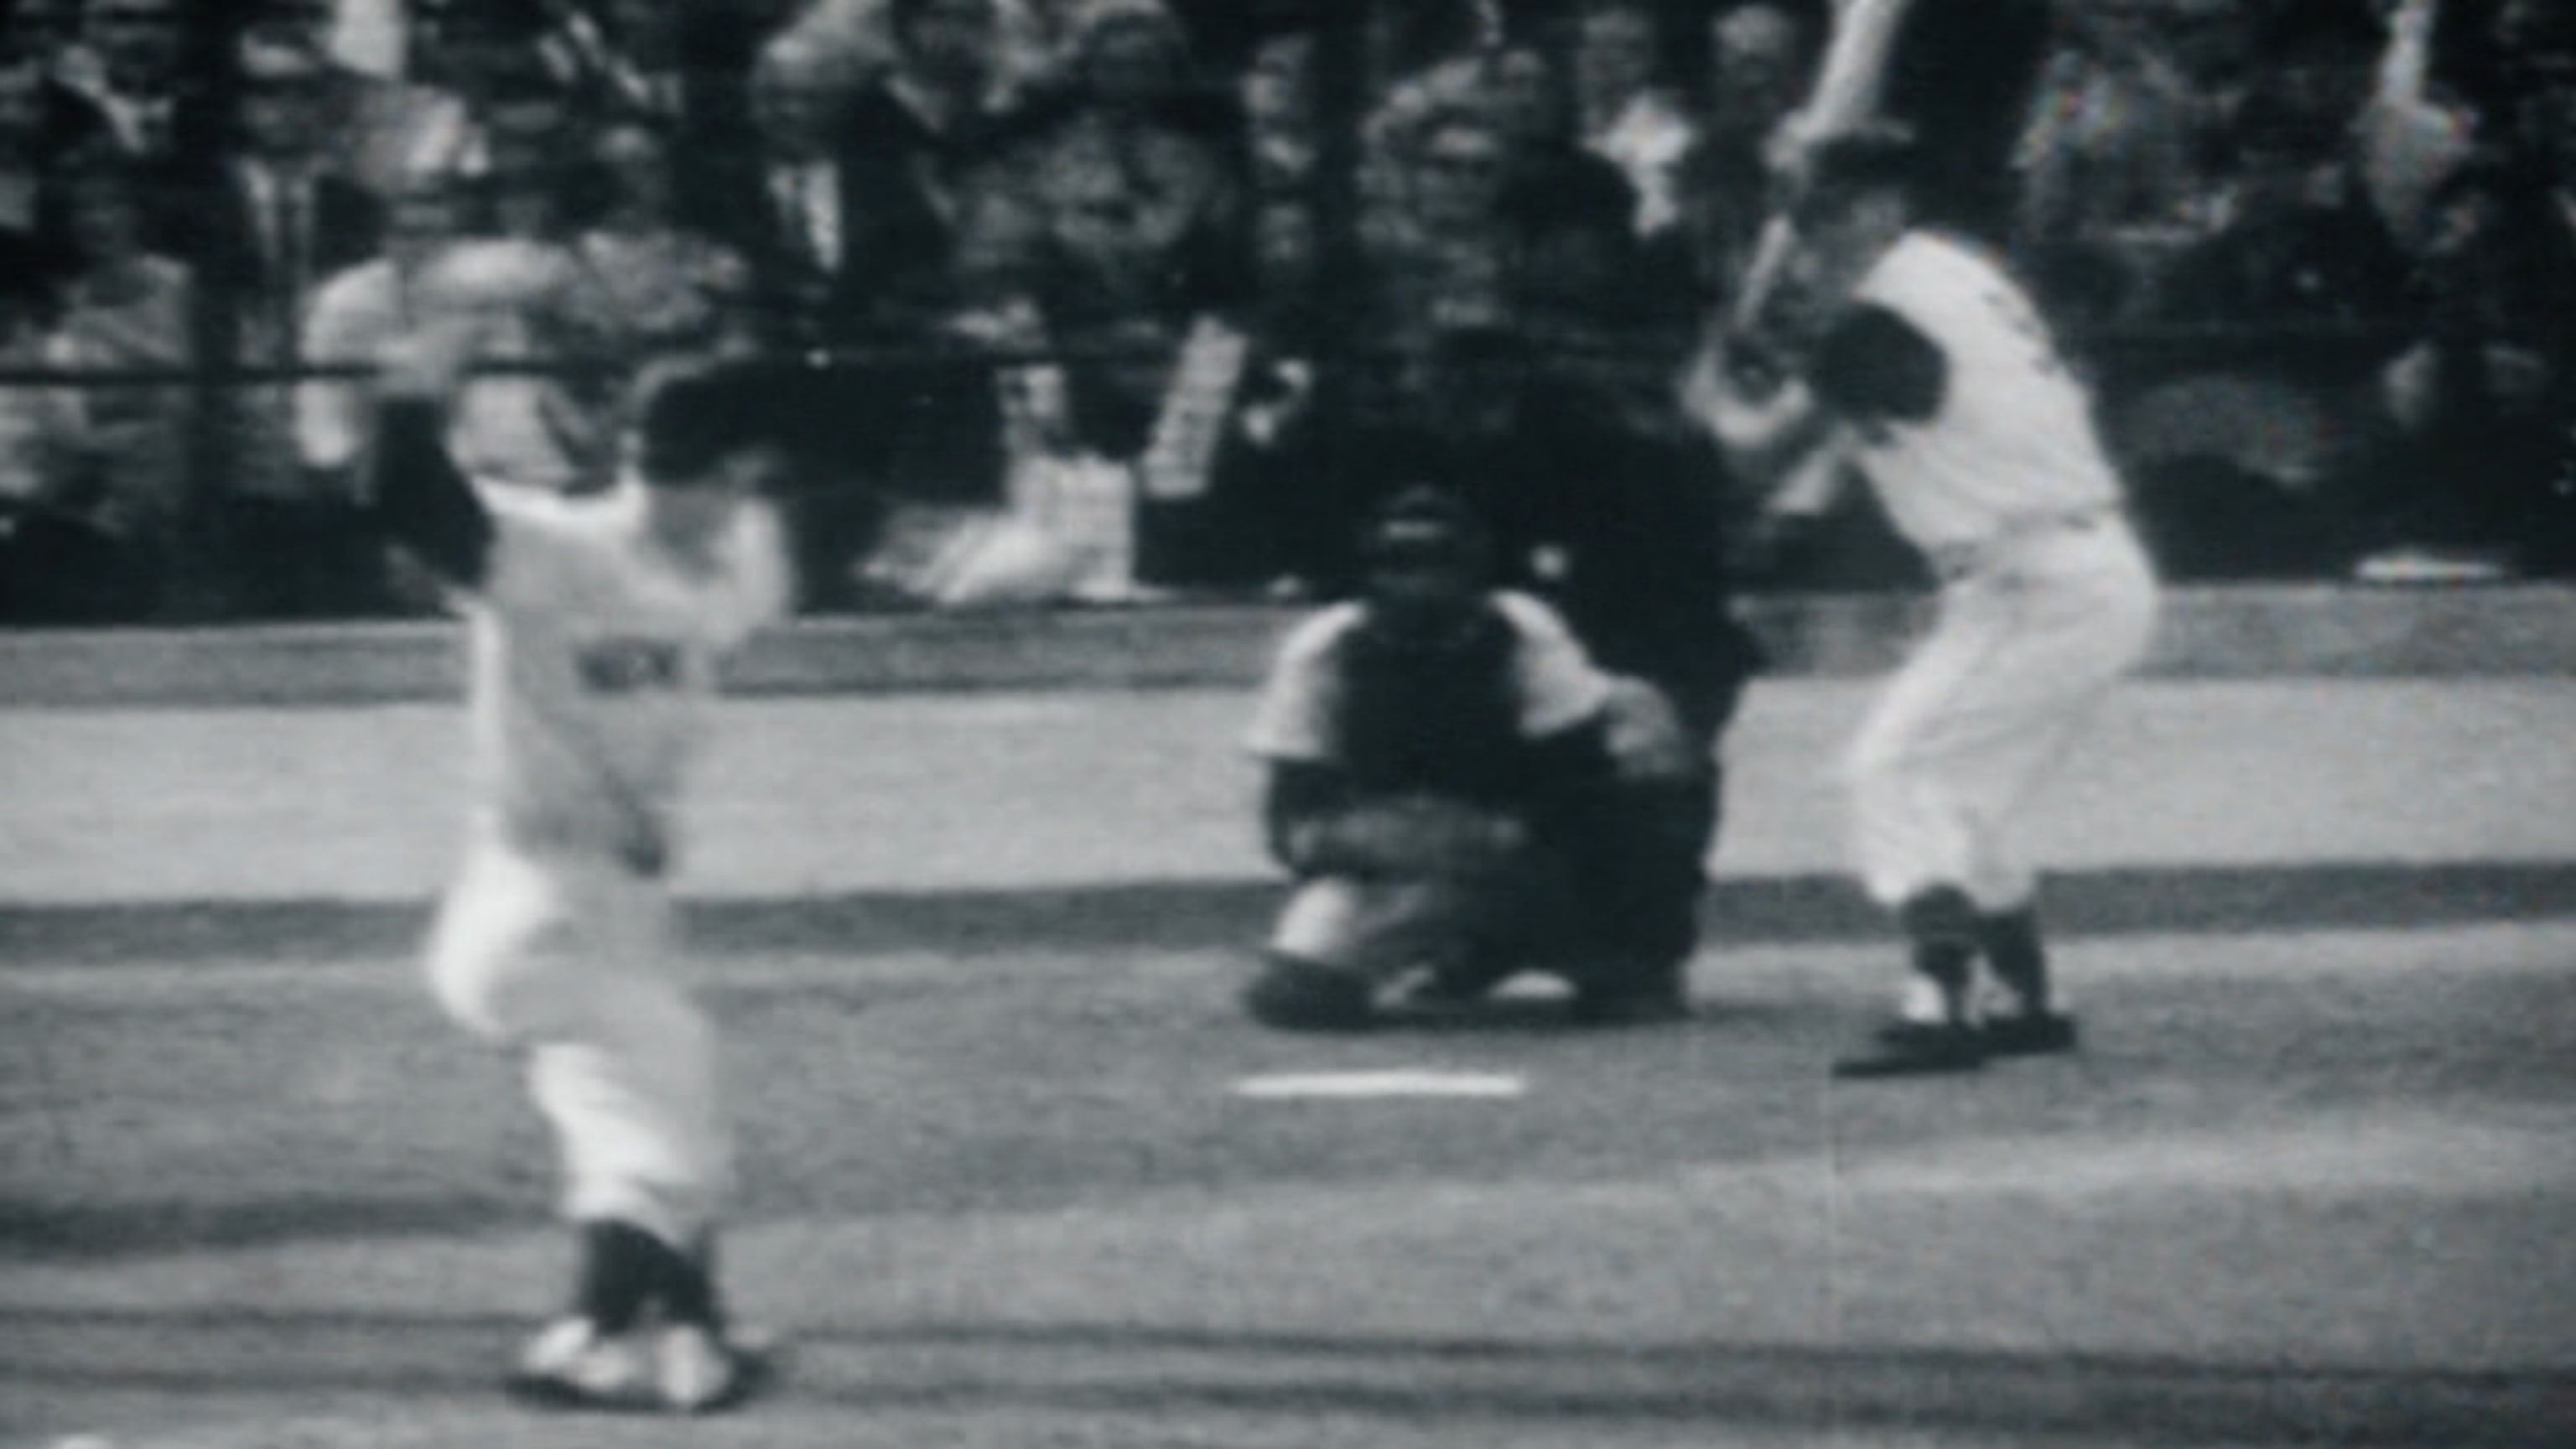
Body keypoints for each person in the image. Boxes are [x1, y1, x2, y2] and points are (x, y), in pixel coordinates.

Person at [367, 325, 794, 1411]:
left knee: (647, 1114)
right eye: (677, 468)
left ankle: (670, 1330)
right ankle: (603, 1339)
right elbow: (420, 509)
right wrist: (411, 401)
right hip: (537, 897)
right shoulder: (559, 548)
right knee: (666, 1111)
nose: (691, 491)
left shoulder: (734, 567)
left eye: (705, 471)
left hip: (609, 907)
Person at [1684, 127, 2159, 1077]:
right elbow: (1882, 392)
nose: (1816, 232)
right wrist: (1780, 349)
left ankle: (1943, 995)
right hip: (2048, 575)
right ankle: (2026, 995)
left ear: (1887, 207)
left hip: (2041, 579)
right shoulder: (1944, 274)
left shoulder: (1885, 311)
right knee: (1958, 799)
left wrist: (1706, 387)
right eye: (1810, 214)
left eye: (1835, 210)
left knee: (1890, 771)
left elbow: (1757, 447)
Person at [1240, 486, 1707, 1031]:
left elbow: (1582, 779)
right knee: (1296, 996)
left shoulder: (1520, 632)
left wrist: (1500, 837)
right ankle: (1451, 946)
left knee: (1648, 746)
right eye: (1399, 565)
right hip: (1392, 859)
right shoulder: (1325, 651)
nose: (1421, 584)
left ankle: (1627, 957)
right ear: (1366, 575)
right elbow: (1289, 822)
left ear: (1478, 571)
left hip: (1520, 844)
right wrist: (1390, 842)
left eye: (1442, 564)